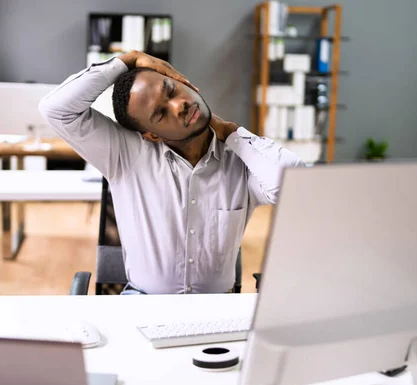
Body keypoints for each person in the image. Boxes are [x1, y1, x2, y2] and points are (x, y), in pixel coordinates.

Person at [39, 50, 304, 295]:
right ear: (152, 135)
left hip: (217, 308)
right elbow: (56, 110)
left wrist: (229, 131)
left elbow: (294, 186)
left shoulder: (240, 159)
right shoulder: (125, 155)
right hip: (143, 304)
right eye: (160, 113)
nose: (179, 106)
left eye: (172, 90)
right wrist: (127, 59)